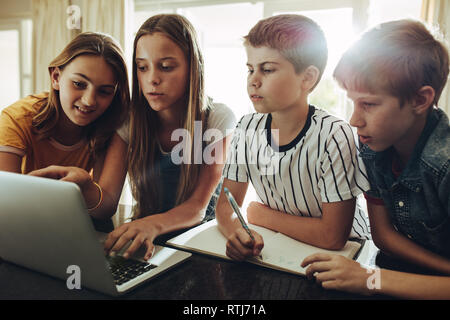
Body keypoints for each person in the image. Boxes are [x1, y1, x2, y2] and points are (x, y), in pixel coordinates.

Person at [34, 14, 237, 260]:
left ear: (192, 68)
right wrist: (85, 187)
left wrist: (152, 225)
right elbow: (106, 203)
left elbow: (197, 208)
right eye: (142, 67)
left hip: (200, 245)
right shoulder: (130, 120)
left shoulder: (217, 119)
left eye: (166, 66)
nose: (152, 78)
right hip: (145, 240)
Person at [302, 19, 450, 299]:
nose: (355, 120)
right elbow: (382, 235)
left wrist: (371, 279)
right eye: (353, 102)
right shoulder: (373, 146)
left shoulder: (444, 165)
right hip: (401, 272)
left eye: (368, 104)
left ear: (420, 100)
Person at [215, 14, 371, 262]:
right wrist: (240, 233)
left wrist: (261, 215)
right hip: (284, 248)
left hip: (348, 255)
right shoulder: (247, 128)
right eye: (250, 69)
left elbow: (333, 236)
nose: (253, 80)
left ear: (307, 78)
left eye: (267, 69)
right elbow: (225, 206)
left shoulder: (333, 134)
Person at [0, 32, 130, 223]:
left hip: (64, 222)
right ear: (56, 77)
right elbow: (6, 204)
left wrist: (86, 186)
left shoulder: (113, 123)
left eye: (104, 91)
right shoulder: (16, 119)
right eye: (79, 84)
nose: (89, 101)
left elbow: (106, 207)